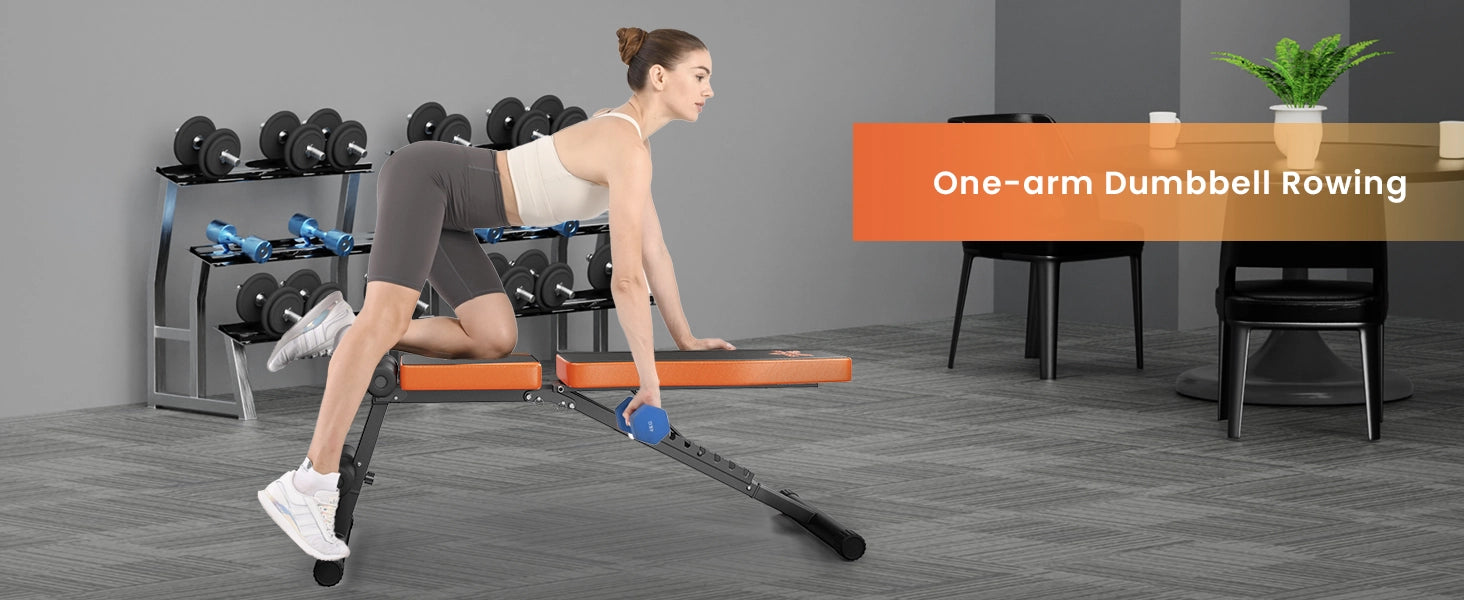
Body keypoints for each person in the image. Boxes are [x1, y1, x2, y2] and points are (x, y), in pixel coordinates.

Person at [256, 27, 732, 562]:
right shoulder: (625, 145)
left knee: (493, 337)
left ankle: (344, 327)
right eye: (701, 75)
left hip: (452, 209)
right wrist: (651, 383)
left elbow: (655, 252)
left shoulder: (629, 143)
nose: (709, 89)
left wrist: (685, 338)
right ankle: (307, 484)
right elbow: (625, 280)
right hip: (428, 179)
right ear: (660, 76)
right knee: (385, 320)